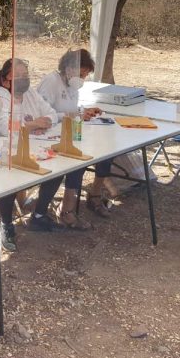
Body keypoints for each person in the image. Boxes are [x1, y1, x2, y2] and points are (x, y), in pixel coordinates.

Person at [36, 49, 116, 227]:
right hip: (46, 136)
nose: (83, 78)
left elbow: (70, 109)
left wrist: (82, 112)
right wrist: (73, 115)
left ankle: (94, 195)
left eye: (86, 75)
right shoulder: (51, 81)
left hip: (67, 132)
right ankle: (67, 210)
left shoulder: (72, 86)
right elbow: (42, 114)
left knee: (106, 151)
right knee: (76, 162)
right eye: (82, 73)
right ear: (69, 68)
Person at [0, 58, 66, 251]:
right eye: (19, 76)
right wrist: (34, 124)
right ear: (6, 79)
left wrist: (41, 122)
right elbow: (6, 128)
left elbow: (51, 114)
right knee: (10, 179)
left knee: (59, 168)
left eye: (26, 75)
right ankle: (6, 224)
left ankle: (39, 215)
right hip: (7, 153)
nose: (24, 79)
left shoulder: (31, 93)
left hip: (36, 147)